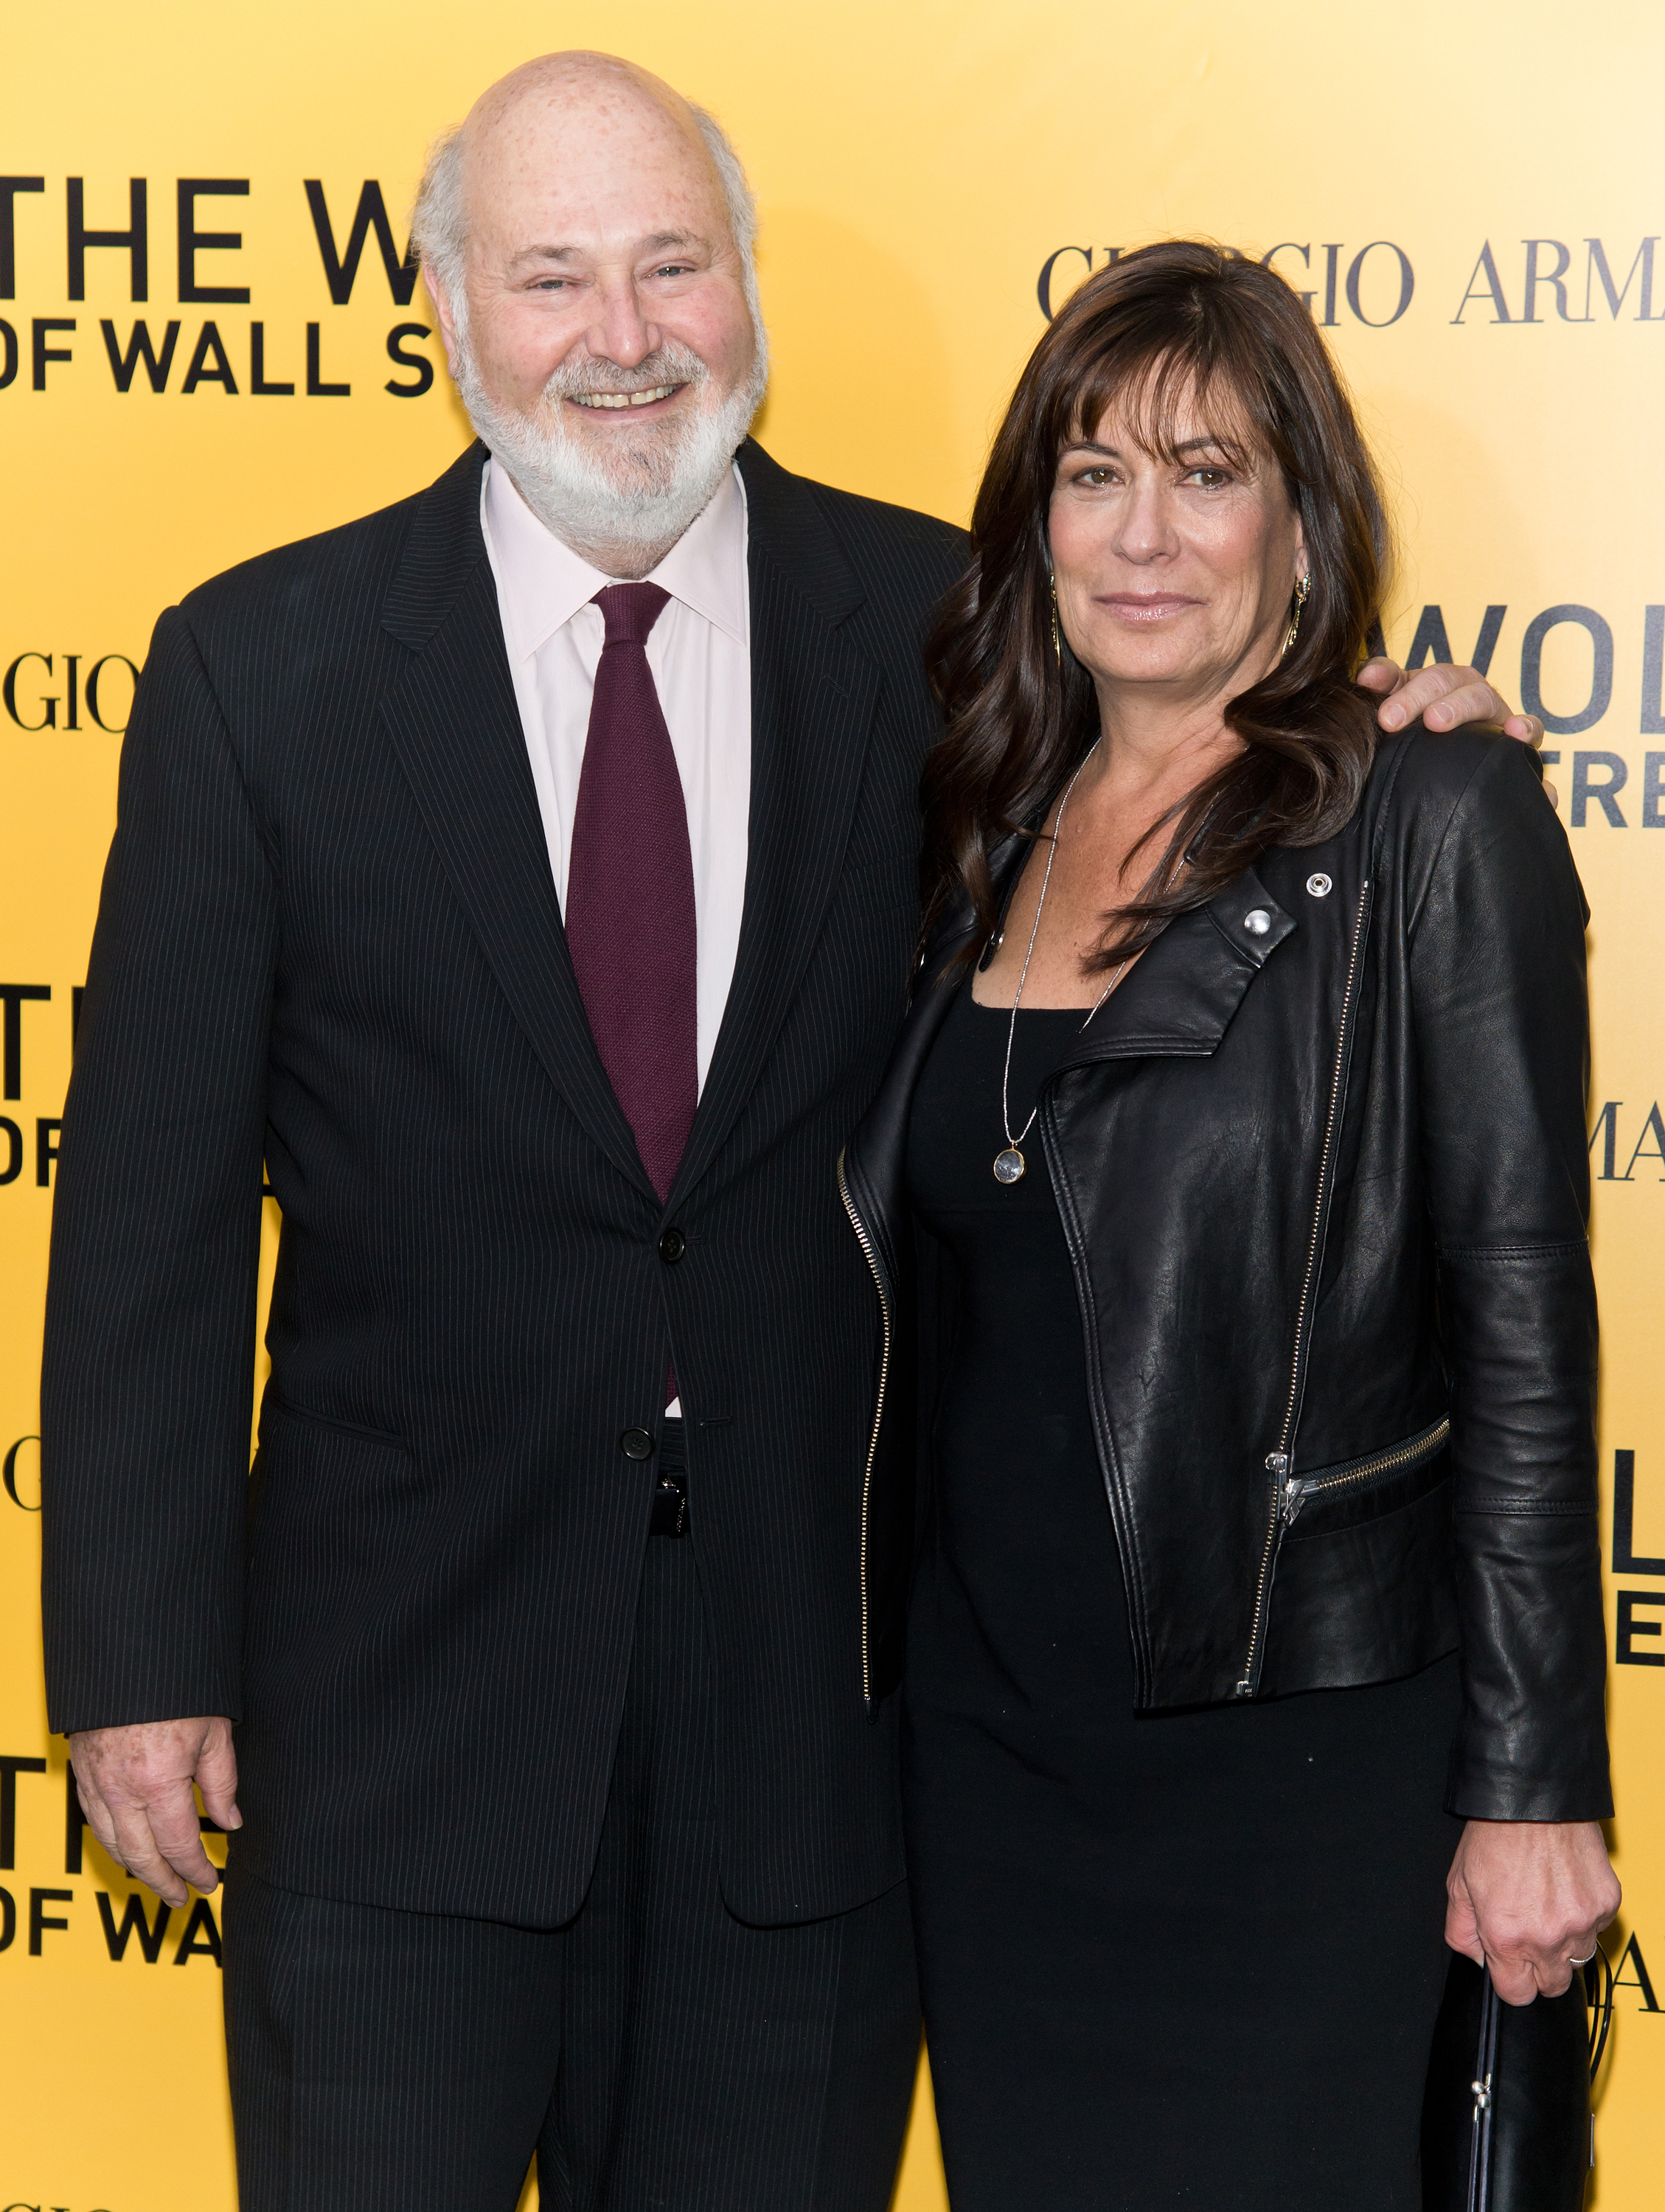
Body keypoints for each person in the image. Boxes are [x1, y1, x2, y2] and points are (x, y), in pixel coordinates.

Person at [40, 52, 1528, 2209]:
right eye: (552, 277)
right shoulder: (259, 672)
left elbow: (1206, 772)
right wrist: (140, 1663)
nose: (623, 337)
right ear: (447, 313)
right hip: (392, 1754)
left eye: (673, 264)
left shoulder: (955, 643)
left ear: (748, 288)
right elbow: (148, 1219)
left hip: (817, 1772)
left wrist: (1402, 727)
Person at [841, 240, 1619, 2212]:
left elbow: (1519, 1315)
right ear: (1032, 528)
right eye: (1092, 475)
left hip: (1301, 1776)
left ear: (1299, 521)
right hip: (993, 1768)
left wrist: (1531, 1790)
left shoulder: (1427, 819)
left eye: (1205, 473)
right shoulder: (980, 822)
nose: (1143, 534)